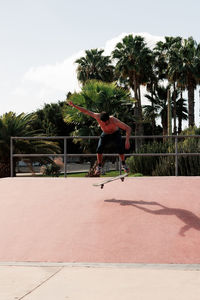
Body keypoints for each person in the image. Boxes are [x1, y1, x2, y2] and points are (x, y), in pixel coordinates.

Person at [67, 100, 131, 175]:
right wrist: (74, 105)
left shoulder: (114, 120)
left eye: (107, 122)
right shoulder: (97, 116)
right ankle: (99, 166)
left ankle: (123, 164)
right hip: (105, 133)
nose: (106, 124)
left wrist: (127, 140)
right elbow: (86, 111)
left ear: (109, 119)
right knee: (99, 148)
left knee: (120, 147)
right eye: (104, 123)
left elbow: (128, 128)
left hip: (115, 133)